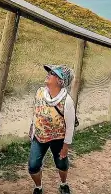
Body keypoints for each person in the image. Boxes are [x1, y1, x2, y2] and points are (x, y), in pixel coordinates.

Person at [28, 65, 76, 194]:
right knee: (33, 166)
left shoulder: (67, 101)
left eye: (53, 73)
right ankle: (38, 187)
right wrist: (33, 126)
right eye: (49, 71)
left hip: (58, 139)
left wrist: (66, 146)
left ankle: (63, 184)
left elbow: (70, 126)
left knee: (61, 164)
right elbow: (36, 111)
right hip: (39, 136)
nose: (48, 73)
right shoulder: (39, 92)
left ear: (60, 81)